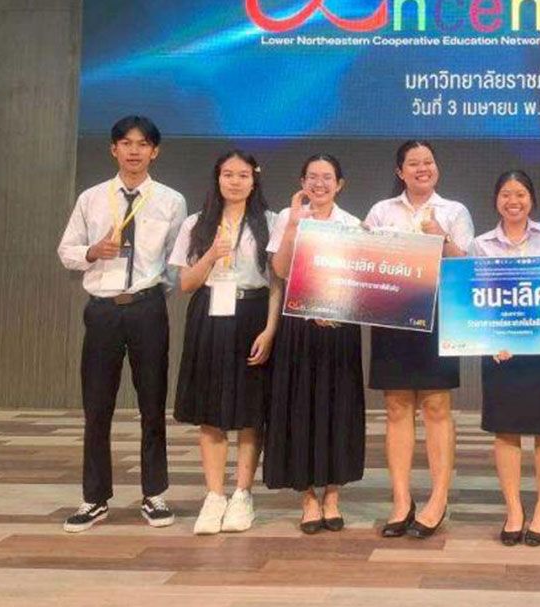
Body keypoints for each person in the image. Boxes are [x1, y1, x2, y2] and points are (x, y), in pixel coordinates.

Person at [57, 115, 186, 532]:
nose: (134, 151)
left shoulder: (171, 201)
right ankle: (94, 498)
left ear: (155, 151)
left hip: (148, 308)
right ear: (114, 149)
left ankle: (154, 494)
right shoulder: (92, 198)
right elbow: (66, 251)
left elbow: (173, 262)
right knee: (97, 406)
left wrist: (152, 296)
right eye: (126, 143)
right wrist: (92, 252)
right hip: (103, 310)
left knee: (153, 404)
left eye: (143, 144)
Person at [364, 140, 473, 539]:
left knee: (436, 406)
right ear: (400, 171)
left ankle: (438, 499)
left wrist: (441, 237)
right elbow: (366, 261)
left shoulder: (454, 211)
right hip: (391, 316)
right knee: (396, 407)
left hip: (437, 313)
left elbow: (467, 266)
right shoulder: (381, 211)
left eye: (428, 162)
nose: (422, 168)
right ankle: (401, 500)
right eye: (413, 163)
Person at [170, 150, 281, 534]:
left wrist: (270, 329)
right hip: (210, 312)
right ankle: (214, 495)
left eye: (243, 175)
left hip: (253, 313)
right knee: (211, 408)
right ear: (217, 178)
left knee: (250, 409)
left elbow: (277, 282)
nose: (235, 181)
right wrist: (210, 256)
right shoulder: (196, 223)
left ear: (254, 180)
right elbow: (186, 284)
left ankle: (242, 494)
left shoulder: (270, 222)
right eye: (228, 174)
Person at [263, 154, 367, 534]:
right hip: (298, 325)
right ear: (302, 182)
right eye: (312, 177)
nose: (319, 184)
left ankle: (333, 495)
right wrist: (294, 225)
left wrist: (335, 307)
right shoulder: (286, 217)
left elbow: (361, 281)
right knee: (298, 407)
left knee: (338, 408)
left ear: (340, 184)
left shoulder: (353, 225)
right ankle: (307, 497)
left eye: (327, 177)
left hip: (339, 327)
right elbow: (280, 271)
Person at [467, 170, 540, 547]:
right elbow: (473, 300)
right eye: (506, 194)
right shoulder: (480, 244)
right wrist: (488, 339)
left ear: (532, 199)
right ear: (496, 200)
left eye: (521, 194)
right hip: (501, 354)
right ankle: (513, 509)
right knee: (506, 429)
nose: (514, 201)